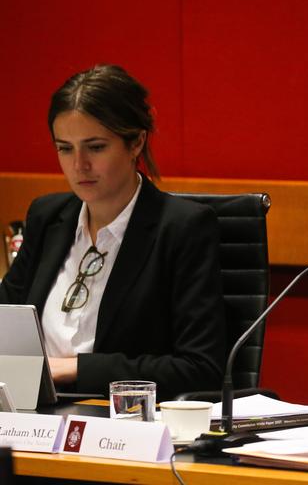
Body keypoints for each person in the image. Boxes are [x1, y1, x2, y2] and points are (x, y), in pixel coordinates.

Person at [0, 64, 225, 400]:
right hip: (30, 412)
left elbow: (200, 368)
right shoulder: (47, 218)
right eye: (65, 148)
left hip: (123, 423)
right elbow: (6, 320)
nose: (79, 165)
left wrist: (73, 367)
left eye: (96, 147)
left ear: (135, 142)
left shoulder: (181, 228)